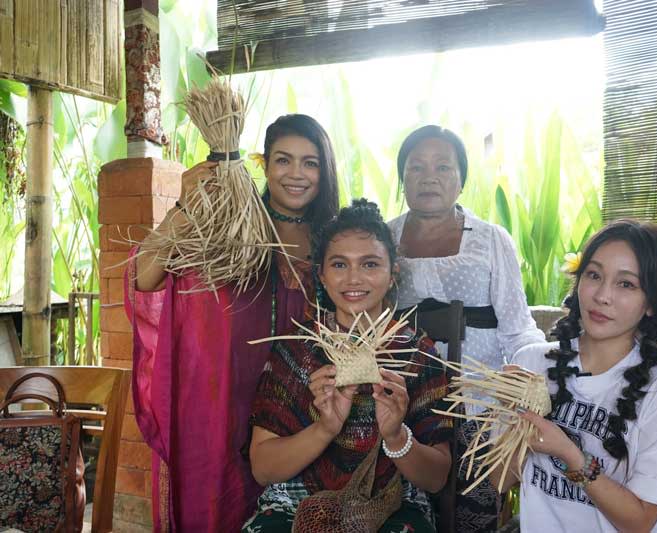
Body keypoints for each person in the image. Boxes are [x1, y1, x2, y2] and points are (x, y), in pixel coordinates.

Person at [124, 114, 339, 532]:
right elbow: (144, 276)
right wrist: (187, 204)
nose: (296, 174)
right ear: (263, 164)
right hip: (223, 404)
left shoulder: (336, 240)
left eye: (310, 163)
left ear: (324, 170)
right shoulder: (230, 226)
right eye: (283, 160)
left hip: (307, 408)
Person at [243, 199, 453, 532]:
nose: (354, 279)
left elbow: (436, 478)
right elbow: (263, 470)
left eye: (370, 264)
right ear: (322, 276)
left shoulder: (416, 353)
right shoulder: (296, 350)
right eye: (339, 265)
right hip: (294, 504)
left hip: (391, 505)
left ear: (392, 272)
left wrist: (397, 435)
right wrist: (325, 428)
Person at [494, 219, 657, 532]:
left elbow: (639, 523)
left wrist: (570, 453)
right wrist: (515, 421)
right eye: (594, 275)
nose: (602, 295)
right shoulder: (531, 363)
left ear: (651, 303)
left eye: (626, 284)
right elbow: (499, 481)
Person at [387, 124, 546, 530]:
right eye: (416, 167)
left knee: (472, 518)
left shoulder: (491, 240)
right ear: (402, 176)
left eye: (443, 166)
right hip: (406, 405)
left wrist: (533, 374)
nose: (429, 176)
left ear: (461, 179)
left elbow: (518, 328)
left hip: (477, 404)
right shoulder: (383, 239)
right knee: (404, 515)